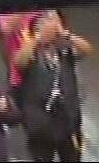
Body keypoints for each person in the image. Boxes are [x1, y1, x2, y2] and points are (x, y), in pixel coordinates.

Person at [11, 10, 91, 163]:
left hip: (68, 122)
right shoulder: (31, 53)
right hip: (40, 126)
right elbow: (19, 61)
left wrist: (66, 35)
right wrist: (38, 39)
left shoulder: (64, 50)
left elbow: (87, 50)